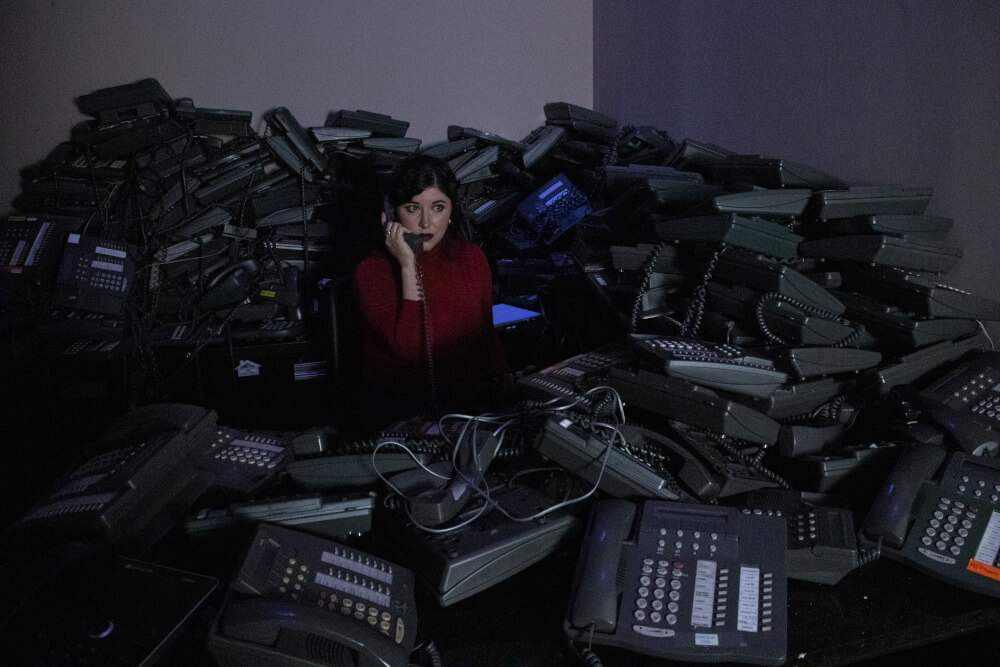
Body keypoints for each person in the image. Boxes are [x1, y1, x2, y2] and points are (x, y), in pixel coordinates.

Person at [353, 154, 505, 426]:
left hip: (463, 405)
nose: (426, 222)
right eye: (412, 208)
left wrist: (503, 390)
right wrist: (407, 265)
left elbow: (486, 337)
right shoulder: (372, 271)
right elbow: (410, 349)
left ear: (450, 212)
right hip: (398, 413)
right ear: (390, 214)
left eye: (437, 207)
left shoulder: (471, 258)